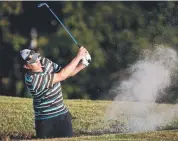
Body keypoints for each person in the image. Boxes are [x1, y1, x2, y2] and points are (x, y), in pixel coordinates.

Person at [20, 46, 91, 139]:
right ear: (26, 66)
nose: (36, 60)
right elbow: (62, 75)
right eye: (32, 60)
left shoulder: (44, 62)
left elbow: (66, 73)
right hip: (45, 122)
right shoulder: (33, 80)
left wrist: (83, 64)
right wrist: (78, 57)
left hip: (63, 116)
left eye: (35, 57)